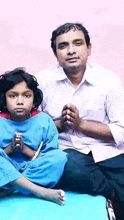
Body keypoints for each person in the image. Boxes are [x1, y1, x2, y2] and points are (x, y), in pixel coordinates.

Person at [36, 22, 124, 219]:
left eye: (77, 43)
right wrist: (61, 124)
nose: (71, 51)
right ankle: (112, 196)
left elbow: (121, 130)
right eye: (63, 46)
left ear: (89, 48)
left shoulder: (108, 79)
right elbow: (33, 130)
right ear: (55, 52)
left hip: (107, 151)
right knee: (71, 168)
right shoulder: (42, 82)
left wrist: (80, 125)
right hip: (68, 151)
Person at [0, 68, 67, 210]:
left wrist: (25, 150)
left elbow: (51, 154)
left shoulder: (44, 121)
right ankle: (38, 191)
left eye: (26, 96)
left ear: (34, 98)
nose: (20, 101)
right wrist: (9, 149)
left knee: (59, 158)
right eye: (13, 96)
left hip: (32, 169)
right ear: (4, 98)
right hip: (6, 166)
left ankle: (8, 190)